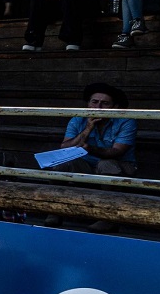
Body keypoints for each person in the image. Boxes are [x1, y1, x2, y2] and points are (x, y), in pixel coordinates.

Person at [46, 82, 137, 233]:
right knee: (62, 162)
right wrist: (88, 129)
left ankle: (108, 218)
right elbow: (64, 147)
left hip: (121, 166)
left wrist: (91, 148)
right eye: (94, 102)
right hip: (88, 165)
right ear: (88, 103)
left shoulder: (126, 120)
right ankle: (54, 210)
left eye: (105, 103)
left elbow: (117, 152)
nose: (98, 107)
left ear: (114, 107)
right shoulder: (78, 119)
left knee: (106, 164)